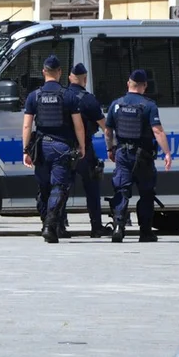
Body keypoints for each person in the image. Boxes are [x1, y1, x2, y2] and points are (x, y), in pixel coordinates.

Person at [22, 55, 86, 244]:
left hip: (41, 147)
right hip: (61, 147)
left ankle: (45, 223)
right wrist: (82, 146)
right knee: (59, 187)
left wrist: (26, 150)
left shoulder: (34, 96)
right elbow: (78, 126)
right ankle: (51, 225)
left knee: (43, 188)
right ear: (59, 72)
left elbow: (27, 126)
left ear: (43, 72)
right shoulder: (69, 95)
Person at [104, 69, 173, 243]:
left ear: (129, 84)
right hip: (143, 157)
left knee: (122, 190)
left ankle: (119, 226)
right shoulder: (148, 105)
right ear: (145, 86)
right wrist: (167, 152)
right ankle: (145, 232)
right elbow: (157, 131)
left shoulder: (116, 104)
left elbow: (107, 131)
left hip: (122, 154)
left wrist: (110, 149)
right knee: (146, 193)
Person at [61, 63, 112, 238]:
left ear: (69, 78)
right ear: (85, 79)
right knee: (92, 188)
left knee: (61, 188)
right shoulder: (89, 99)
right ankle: (96, 227)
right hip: (84, 150)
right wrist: (112, 147)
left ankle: (59, 226)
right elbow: (105, 127)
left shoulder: (63, 96)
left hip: (63, 148)